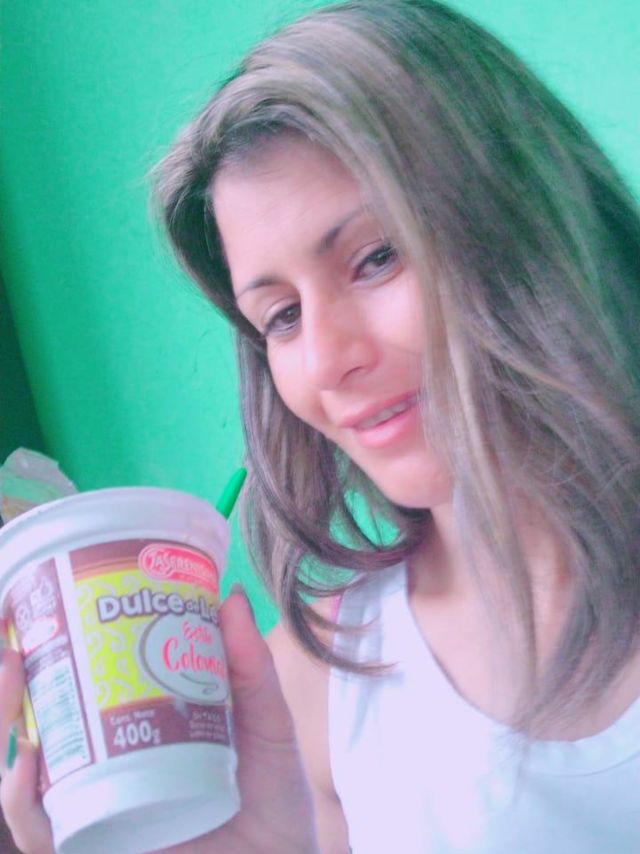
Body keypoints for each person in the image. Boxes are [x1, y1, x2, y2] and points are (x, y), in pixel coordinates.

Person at [2, 0, 639, 851]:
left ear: (525, 218)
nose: (328, 360)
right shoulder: (310, 690)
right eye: (282, 316)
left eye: (377, 257)